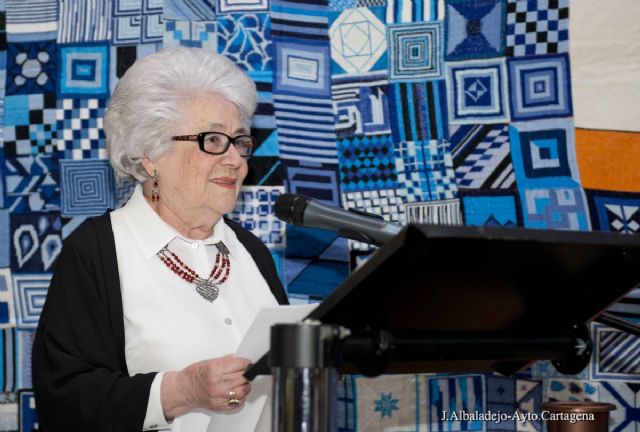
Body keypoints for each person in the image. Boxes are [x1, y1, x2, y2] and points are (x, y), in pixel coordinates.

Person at [32, 47, 288, 432]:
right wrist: (181, 391)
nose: (236, 159)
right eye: (213, 140)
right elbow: (64, 399)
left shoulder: (251, 250)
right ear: (151, 154)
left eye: (239, 142)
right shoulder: (96, 252)